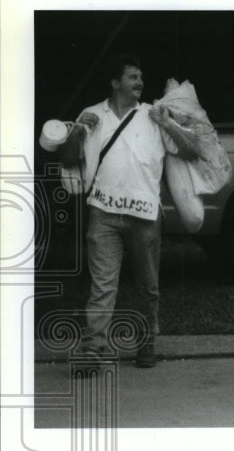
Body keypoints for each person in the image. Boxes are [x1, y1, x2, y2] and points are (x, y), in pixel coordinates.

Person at [59, 54, 201, 367]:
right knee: (102, 285)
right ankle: (92, 351)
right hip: (103, 211)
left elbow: (192, 151)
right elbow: (69, 160)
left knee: (147, 286)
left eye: (140, 77)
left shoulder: (154, 114)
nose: (139, 82)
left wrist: (168, 125)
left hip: (146, 215)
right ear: (115, 83)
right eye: (132, 77)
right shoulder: (91, 114)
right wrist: (78, 132)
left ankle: (145, 344)